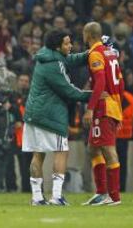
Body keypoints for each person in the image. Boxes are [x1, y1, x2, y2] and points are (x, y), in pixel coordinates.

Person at [22, 29, 92, 206]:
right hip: (49, 115)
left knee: (38, 154)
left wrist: (92, 52)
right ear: (57, 46)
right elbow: (70, 91)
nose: (71, 46)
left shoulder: (48, 56)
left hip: (33, 114)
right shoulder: (54, 65)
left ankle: (37, 197)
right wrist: (95, 94)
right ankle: (57, 196)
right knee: (61, 151)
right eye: (67, 43)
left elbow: (73, 58)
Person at [82, 22, 124, 206]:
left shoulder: (96, 53)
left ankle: (114, 197)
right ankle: (101, 193)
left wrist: (90, 108)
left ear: (88, 34)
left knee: (108, 149)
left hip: (104, 108)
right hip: (112, 105)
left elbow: (99, 81)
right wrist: (118, 107)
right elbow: (120, 82)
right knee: (93, 147)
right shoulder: (110, 52)